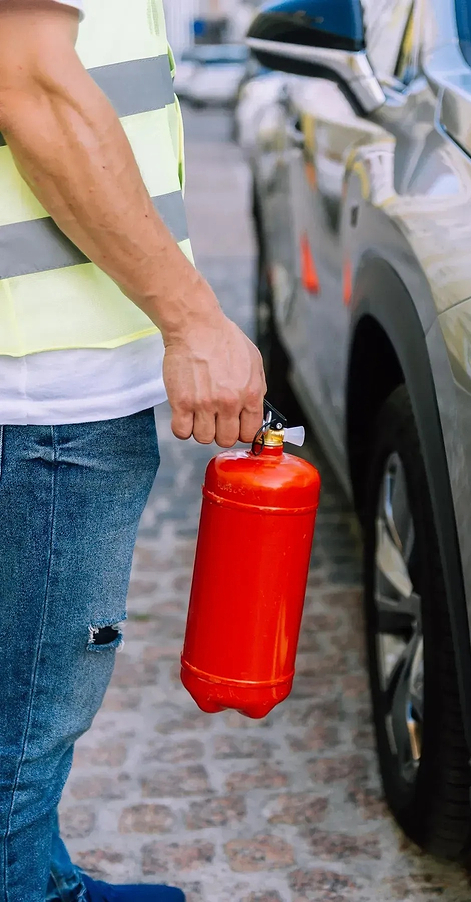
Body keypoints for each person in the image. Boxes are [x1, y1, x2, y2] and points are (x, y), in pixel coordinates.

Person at [0, 1, 266, 900]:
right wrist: (194, 319)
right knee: (31, 713)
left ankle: (38, 870)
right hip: (40, 390)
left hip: (41, 373)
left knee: (20, 693)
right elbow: (29, 84)